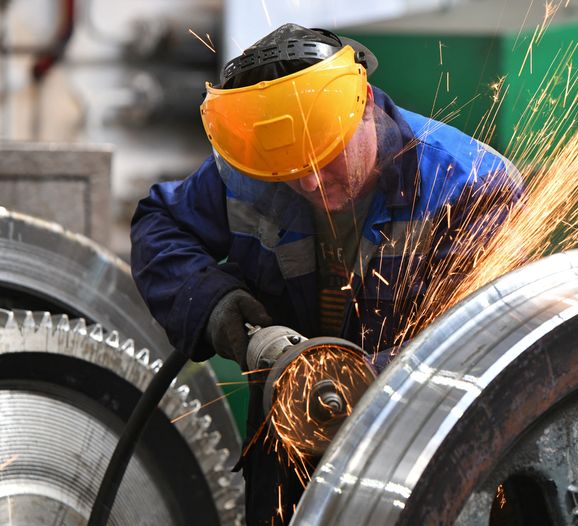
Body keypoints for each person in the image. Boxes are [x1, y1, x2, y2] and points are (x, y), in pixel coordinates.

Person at [130, 23, 520, 526]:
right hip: (286, 455)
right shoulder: (257, 167)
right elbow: (160, 225)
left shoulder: (469, 186)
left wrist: (341, 377)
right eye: (289, 168)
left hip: (426, 464)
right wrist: (215, 304)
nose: (309, 182)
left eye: (325, 156)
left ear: (362, 109)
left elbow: (489, 348)